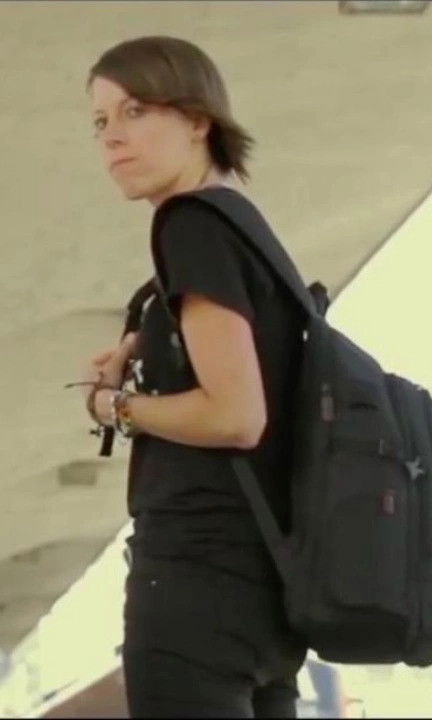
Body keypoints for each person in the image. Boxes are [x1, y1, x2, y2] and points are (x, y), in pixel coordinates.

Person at [79, 37, 308, 717]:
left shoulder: (191, 227)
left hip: (196, 582)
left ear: (198, 120)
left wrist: (114, 407)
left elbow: (235, 415)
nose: (112, 138)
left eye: (136, 111)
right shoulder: (242, 228)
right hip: (266, 590)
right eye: (100, 121)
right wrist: (146, 351)